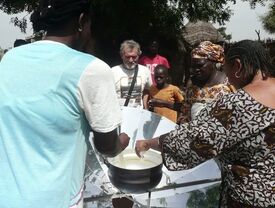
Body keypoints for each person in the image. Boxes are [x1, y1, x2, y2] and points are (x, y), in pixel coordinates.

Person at [0, 1, 129, 208]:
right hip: (55, 201)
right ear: (81, 22)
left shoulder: (9, 59)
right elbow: (106, 146)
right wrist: (121, 142)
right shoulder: (92, 69)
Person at [135, 40, 275, 208]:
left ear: (237, 66)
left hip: (252, 199)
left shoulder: (237, 104)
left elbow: (194, 141)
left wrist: (149, 143)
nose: (228, 77)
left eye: (227, 70)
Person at [111, 39, 152, 108]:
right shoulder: (113, 71)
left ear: (139, 55)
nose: (131, 60)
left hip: (138, 114)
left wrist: (145, 106)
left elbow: (147, 89)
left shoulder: (145, 71)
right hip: (119, 114)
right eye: (127, 57)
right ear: (122, 55)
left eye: (134, 57)